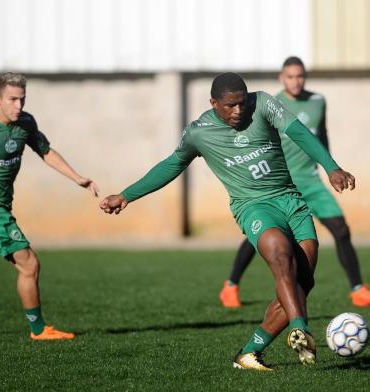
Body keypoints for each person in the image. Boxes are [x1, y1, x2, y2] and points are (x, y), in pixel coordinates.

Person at [99, 72, 355, 370]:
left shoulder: (263, 104)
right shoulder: (199, 132)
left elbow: (299, 132)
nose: (238, 111)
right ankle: (300, 329)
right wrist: (127, 195)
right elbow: (171, 165)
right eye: (230, 105)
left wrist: (332, 167)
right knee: (280, 252)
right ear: (214, 103)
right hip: (253, 206)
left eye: (242, 104)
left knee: (302, 282)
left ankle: (249, 353)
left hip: (290, 200)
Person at [219, 57, 370, 309]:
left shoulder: (318, 102)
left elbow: (321, 136)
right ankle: (231, 286)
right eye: (290, 76)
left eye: (299, 75)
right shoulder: (270, 104)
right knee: (263, 235)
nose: (295, 81)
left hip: (311, 181)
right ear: (281, 78)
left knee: (341, 230)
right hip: (282, 185)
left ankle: (357, 289)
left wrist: (329, 166)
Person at [0, 72, 99, 340]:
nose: (18, 106)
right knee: (29, 264)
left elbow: (45, 151)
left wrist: (77, 177)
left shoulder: (26, 123)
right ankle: (39, 329)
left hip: (0, 207)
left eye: (22, 99)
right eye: (12, 100)